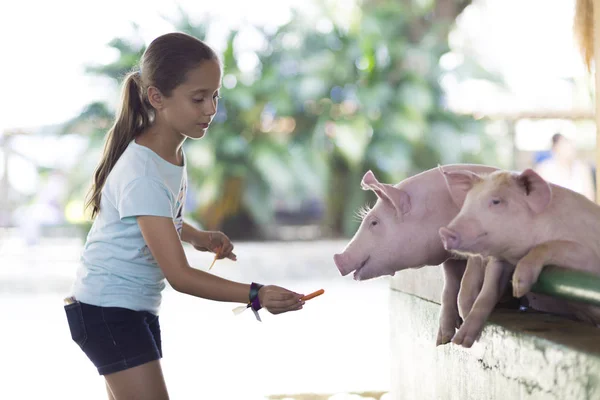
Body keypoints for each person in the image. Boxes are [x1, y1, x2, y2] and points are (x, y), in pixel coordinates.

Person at [63, 32, 305, 400]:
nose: (211, 109)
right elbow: (180, 277)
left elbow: (153, 218)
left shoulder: (171, 152)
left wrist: (196, 236)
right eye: (198, 99)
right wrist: (257, 295)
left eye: (215, 96)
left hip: (127, 309)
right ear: (157, 98)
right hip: (107, 312)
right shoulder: (143, 170)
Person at [534, 133, 595, 202]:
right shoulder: (543, 169)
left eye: (570, 145)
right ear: (555, 148)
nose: (569, 149)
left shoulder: (582, 168)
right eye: (564, 146)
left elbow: (590, 197)